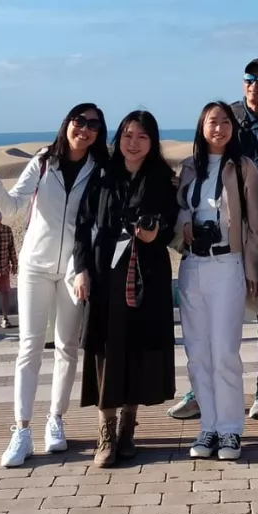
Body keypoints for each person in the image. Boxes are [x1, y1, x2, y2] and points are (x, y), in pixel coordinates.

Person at [0, 103, 108, 468]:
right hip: (35, 266)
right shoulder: (43, 161)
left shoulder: (98, 170)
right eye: (78, 121)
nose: (84, 129)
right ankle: (21, 430)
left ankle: (56, 420)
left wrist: (84, 267)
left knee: (68, 346)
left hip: (73, 269)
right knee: (30, 348)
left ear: (99, 133)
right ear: (67, 124)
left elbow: (96, 222)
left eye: (93, 125)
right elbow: (15, 204)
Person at [169, 58, 258, 422]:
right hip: (224, 231)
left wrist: (252, 167)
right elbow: (215, 159)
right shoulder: (230, 115)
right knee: (208, 332)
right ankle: (201, 391)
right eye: (250, 79)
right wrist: (255, 165)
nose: (256, 85)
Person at [72, 111, 179, 468]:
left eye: (142, 137)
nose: (133, 143)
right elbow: (82, 227)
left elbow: (172, 225)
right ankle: (105, 432)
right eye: (128, 135)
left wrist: (156, 233)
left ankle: (128, 428)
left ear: (153, 142)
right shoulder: (101, 176)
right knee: (105, 349)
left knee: (136, 348)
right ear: (118, 138)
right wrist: (81, 270)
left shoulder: (163, 178)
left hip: (145, 274)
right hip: (104, 275)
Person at [175, 101, 258, 461]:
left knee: (225, 352)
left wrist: (252, 271)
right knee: (197, 353)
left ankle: (230, 430)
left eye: (226, 122)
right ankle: (207, 427)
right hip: (192, 264)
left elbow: (256, 226)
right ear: (201, 126)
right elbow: (179, 207)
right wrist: (183, 224)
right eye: (213, 122)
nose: (219, 128)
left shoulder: (243, 168)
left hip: (229, 263)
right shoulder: (187, 168)